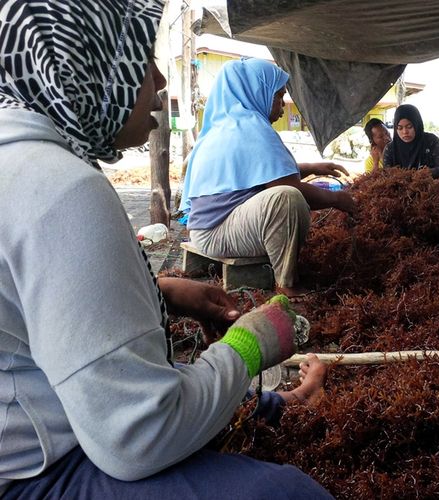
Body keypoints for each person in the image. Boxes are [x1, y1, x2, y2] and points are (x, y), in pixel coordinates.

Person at [0, 1, 332, 498]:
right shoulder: (60, 187)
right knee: (289, 494)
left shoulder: (17, 160)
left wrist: (154, 291)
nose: (159, 83)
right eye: (140, 62)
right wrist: (248, 346)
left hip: (32, 424)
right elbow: (136, 439)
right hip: (32, 473)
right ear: (83, 66)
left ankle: (276, 406)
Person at [180, 58, 356, 298]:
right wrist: (338, 199)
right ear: (257, 92)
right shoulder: (250, 127)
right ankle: (286, 284)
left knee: (285, 194)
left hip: (204, 231)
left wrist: (312, 167)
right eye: (278, 96)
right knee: (287, 199)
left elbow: (259, 173)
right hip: (219, 233)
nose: (282, 106)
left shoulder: (226, 124)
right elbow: (285, 185)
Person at [383, 104, 439, 178]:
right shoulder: (390, 149)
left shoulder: (430, 141)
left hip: (431, 187)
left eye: (409, 127)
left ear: (417, 125)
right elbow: (386, 174)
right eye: (400, 128)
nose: (405, 132)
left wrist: (424, 173)